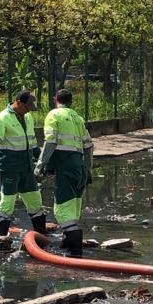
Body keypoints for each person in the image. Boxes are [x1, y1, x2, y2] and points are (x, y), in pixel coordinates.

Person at [35, 88, 94, 253]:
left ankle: (75, 254)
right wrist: (88, 170)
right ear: (71, 102)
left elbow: (50, 142)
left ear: (55, 100)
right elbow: (88, 146)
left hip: (65, 168)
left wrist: (39, 166)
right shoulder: (78, 118)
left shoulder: (54, 115)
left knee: (61, 210)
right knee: (73, 209)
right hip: (79, 169)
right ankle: (68, 242)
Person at [0, 90, 45, 240]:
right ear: (18, 102)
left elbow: (32, 143)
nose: (28, 111)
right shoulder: (3, 118)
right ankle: (1, 237)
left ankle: (41, 235)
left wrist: (42, 162)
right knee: (8, 202)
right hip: (10, 167)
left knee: (35, 200)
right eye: (26, 107)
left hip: (26, 168)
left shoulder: (28, 117)